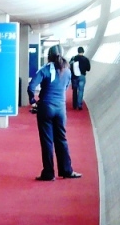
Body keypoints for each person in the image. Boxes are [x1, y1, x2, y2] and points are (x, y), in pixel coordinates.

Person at [27, 44, 82, 181]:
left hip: (46, 107)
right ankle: (66, 170)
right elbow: (66, 87)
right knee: (61, 139)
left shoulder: (45, 70)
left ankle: (49, 173)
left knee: (47, 141)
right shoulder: (67, 71)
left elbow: (31, 86)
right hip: (60, 108)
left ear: (49, 56)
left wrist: (33, 101)